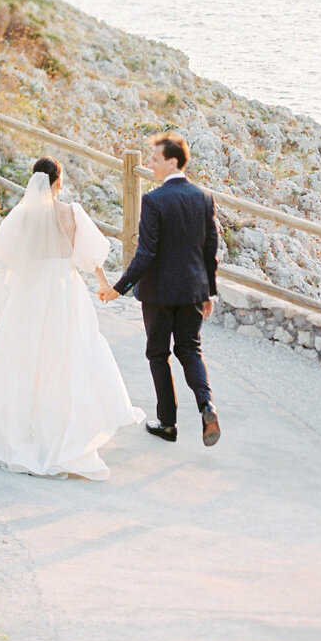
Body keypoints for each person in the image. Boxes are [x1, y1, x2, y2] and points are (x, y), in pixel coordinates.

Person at [0, 158, 143, 479]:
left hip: (30, 291)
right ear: (58, 181)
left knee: (23, 356)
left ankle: (15, 432)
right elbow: (92, 255)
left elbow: (3, 252)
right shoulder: (71, 212)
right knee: (67, 356)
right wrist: (104, 285)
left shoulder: (23, 214)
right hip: (63, 290)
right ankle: (62, 432)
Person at [100, 133, 221, 447]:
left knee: (158, 353)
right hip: (194, 290)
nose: (150, 164)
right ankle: (207, 405)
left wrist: (119, 288)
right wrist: (210, 292)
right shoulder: (204, 196)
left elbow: (146, 253)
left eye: (154, 159)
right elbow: (211, 249)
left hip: (158, 293)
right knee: (190, 349)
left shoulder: (153, 200)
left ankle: (167, 423)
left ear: (172, 161)